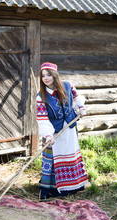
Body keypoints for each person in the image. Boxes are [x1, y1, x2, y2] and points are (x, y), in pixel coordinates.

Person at [36, 62, 89, 201]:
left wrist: (81, 108)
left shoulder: (68, 85)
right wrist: (48, 135)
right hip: (53, 132)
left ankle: (74, 186)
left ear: (55, 75)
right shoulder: (41, 97)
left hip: (69, 129)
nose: (46, 78)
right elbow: (42, 118)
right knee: (53, 159)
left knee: (70, 153)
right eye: (43, 76)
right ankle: (51, 190)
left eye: (49, 75)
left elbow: (77, 97)